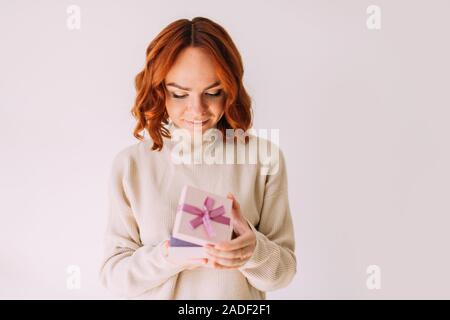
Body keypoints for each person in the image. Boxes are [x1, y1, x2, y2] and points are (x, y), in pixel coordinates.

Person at [99, 16, 297, 299]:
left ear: (230, 89)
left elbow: (284, 273)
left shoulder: (263, 158)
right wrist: (169, 255)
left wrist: (254, 251)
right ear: (158, 92)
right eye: (179, 94)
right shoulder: (131, 165)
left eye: (213, 93)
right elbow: (113, 275)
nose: (197, 110)